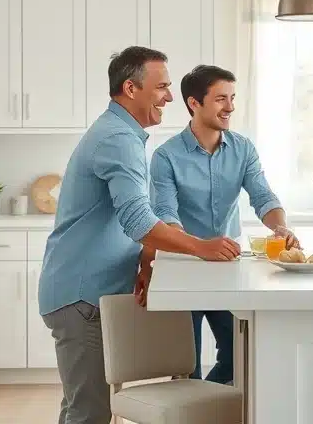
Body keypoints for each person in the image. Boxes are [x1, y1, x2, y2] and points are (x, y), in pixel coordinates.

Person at [38, 47, 244, 424]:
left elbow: (135, 216)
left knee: (83, 410)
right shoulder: (117, 139)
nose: (169, 96)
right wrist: (203, 247)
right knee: (89, 414)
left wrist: (148, 259)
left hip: (85, 293)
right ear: (131, 88)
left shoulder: (123, 135)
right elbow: (138, 221)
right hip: (81, 296)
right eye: (162, 86)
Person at [150, 64, 298, 385]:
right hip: (181, 267)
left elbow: (263, 196)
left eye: (232, 98)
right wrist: (198, 247)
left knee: (238, 354)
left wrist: (280, 228)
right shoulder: (166, 157)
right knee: (186, 365)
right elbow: (166, 215)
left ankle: (205, 405)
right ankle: (193, 406)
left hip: (227, 269)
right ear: (194, 103)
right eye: (220, 99)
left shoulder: (242, 149)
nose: (230, 107)